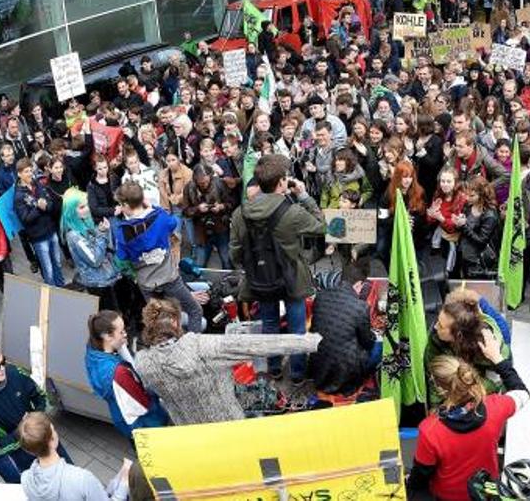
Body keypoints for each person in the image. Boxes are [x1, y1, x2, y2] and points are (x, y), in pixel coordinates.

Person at [132, 298, 321, 425]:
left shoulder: (142, 364)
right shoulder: (201, 347)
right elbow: (260, 345)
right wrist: (314, 342)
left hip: (189, 432)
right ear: (174, 322)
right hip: (228, 424)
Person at [228, 155, 326, 382]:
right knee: (297, 329)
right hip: (292, 277)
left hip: (260, 278)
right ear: (282, 182)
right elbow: (321, 226)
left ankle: (273, 368)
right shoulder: (292, 212)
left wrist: (254, 265)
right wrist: (303, 196)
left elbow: (235, 251)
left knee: (269, 324)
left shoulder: (240, 213)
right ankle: (298, 373)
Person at [408, 328, 529, 501]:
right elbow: (522, 393)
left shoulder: (430, 431)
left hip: (448, 496)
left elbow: (419, 479)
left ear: (439, 388)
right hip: (485, 491)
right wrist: (497, 358)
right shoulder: (494, 407)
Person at [0, 337, 65, 483]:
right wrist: (23, 432)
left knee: (69, 474)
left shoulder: (15, 372)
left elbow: (40, 396)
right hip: (23, 454)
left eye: (3, 362)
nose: (2, 369)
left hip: (45, 438)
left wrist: (35, 419)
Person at [113, 181, 204, 334]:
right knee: (195, 311)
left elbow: (121, 260)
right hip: (170, 279)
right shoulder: (159, 217)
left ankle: (164, 347)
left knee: (159, 321)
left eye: (121, 205)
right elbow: (173, 223)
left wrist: (134, 274)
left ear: (126, 205)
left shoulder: (122, 231)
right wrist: (154, 207)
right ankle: (192, 345)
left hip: (147, 284)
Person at [84, 310, 169, 438]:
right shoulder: (119, 373)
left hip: (122, 419)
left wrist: (120, 344)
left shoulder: (94, 349)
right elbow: (143, 404)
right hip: (144, 425)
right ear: (107, 336)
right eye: (121, 331)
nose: (126, 334)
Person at [18, 412, 131, 501]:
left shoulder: (25, 479)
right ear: (52, 440)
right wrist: (125, 480)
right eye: (53, 430)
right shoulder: (82, 478)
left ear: (30, 450)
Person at [425, 289, 511, 406]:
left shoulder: (491, 348)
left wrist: (461, 390)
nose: (435, 327)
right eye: (438, 321)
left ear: (458, 335)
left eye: (441, 326)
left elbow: (496, 382)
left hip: (483, 393)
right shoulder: (437, 338)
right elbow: (434, 373)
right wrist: (437, 407)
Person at [307, 266, 380, 396]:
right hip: (345, 375)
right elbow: (367, 343)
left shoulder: (321, 296)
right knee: (380, 347)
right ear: (358, 284)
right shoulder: (360, 307)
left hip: (318, 367)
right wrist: (374, 335)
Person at [62, 193, 122, 311]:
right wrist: (103, 234)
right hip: (97, 283)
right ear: (71, 212)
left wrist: (100, 231)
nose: (87, 209)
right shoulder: (73, 235)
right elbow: (95, 259)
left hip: (105, 278)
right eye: (81, 207)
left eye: (86, 205)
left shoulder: (83, 223)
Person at [14, 159, 64, 287]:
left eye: (31, 170)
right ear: (19, 174)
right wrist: (38, 208)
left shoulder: (38, 184)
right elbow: (25, 219)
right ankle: (52, 295)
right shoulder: (18, 196)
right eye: (26, 171)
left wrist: (45, 207)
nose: (30, 174)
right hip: (39, 238)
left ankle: (62, 288)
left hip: (51, 231)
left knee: (57, 263)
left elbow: (50, 203)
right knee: (48, 270)